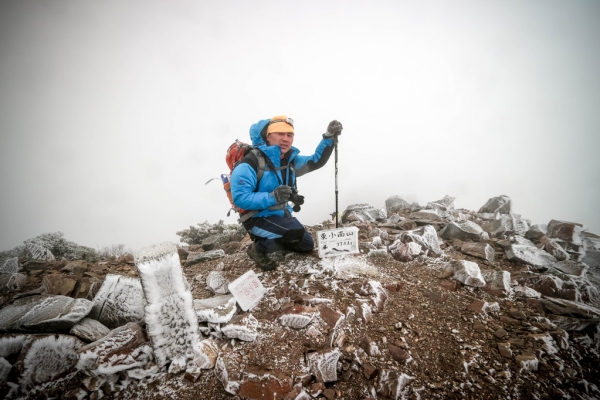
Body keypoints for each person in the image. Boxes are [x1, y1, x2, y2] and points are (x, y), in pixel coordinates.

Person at [230, 115, 343, 270]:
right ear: (267, 136)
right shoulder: (250, 163)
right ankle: (257, 248)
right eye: (280, 134)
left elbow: (316, 161)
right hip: (256, 218)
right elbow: (240, 199)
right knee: (294, 233)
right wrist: (273, 197)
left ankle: (278, 237)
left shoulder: (290, 161)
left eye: (290, 135)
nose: (286, 139)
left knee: (306, 245)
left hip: (280, 215)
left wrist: (329, 137)